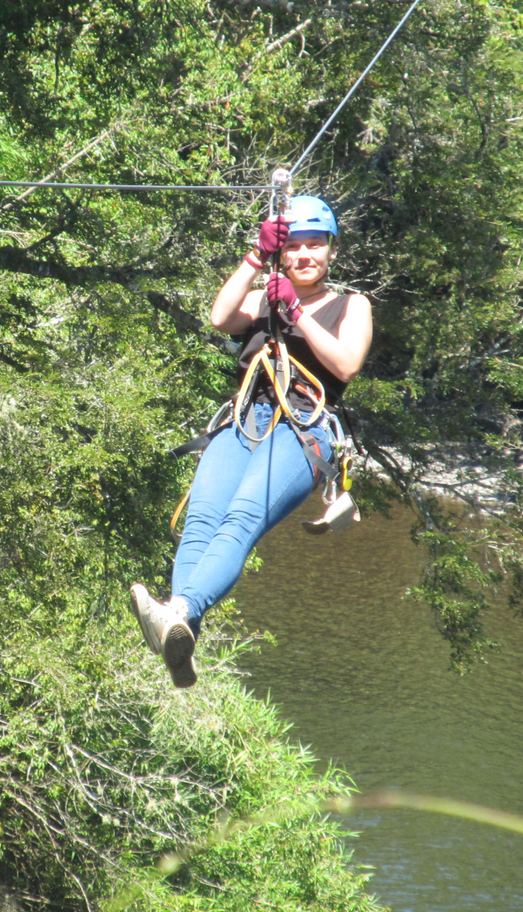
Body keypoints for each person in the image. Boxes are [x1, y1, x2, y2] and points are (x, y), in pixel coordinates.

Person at [130, 195, 373, 687]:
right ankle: (183, 630)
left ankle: (178, 610)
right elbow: (221, 318)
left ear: (330, 250)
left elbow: (346, 364)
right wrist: (254, 259)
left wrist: (297, 314)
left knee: (239, 520)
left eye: (315, 246)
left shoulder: (351, 304)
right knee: (201, 519)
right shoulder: (266, 292)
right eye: (295, 246)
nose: (305, 256)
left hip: (304, 429)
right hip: (246, 417)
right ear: (283, 251)